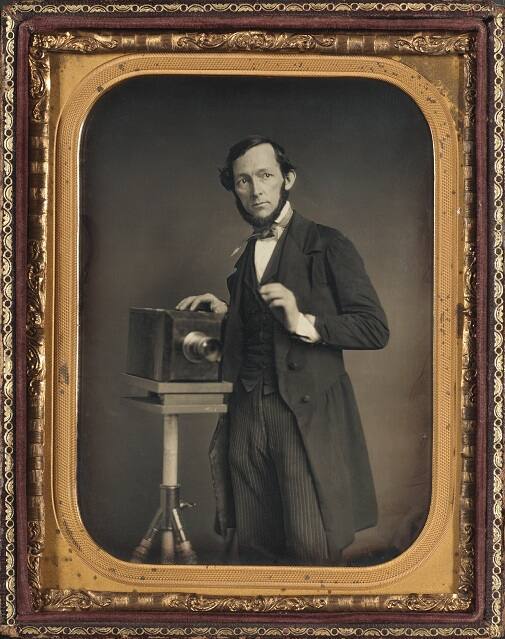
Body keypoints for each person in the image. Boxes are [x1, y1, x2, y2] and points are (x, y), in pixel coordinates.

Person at [176, 135, 389, 565]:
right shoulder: (245, 255)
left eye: (265, 175)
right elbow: (257, 325)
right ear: (234, 188)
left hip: (300, 416)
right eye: (243, 180)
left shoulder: (328, 244)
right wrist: (227, 314)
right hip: (244, 411)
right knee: (254, 546)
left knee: (310, 547)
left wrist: (301, 321)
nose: (256, 190)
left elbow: (374, 328)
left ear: (287, 179)